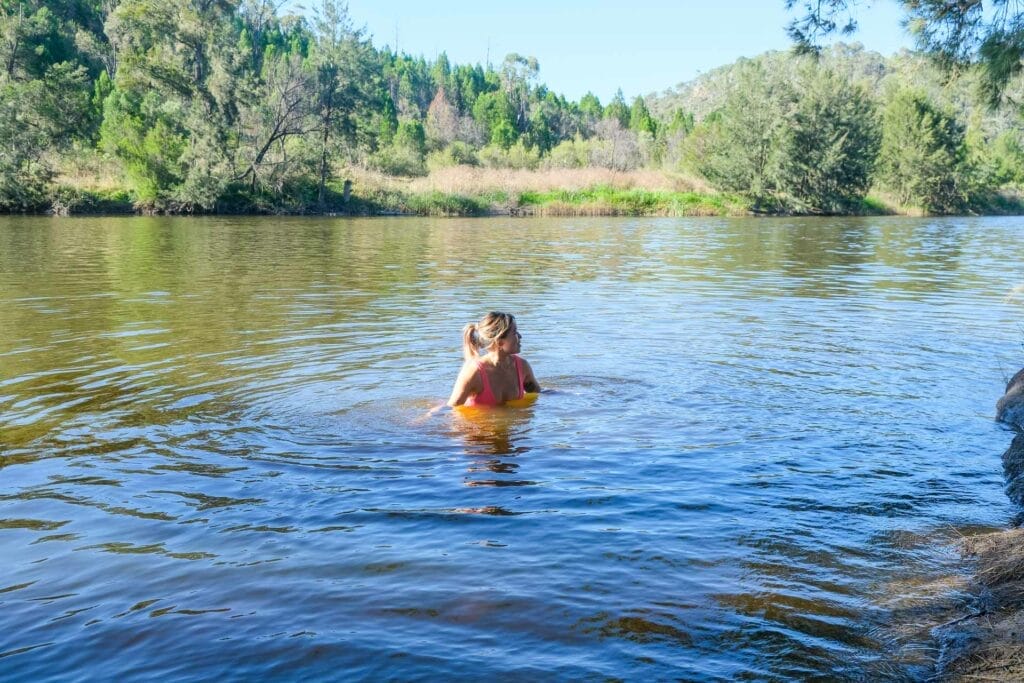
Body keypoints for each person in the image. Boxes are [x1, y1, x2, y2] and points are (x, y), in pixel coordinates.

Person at [447, 312, 540, 407]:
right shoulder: (474, 372)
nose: (520, 336)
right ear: (499, 342)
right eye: (515, 332)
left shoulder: (522, 367)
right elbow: (451, 408)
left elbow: (538, 393)